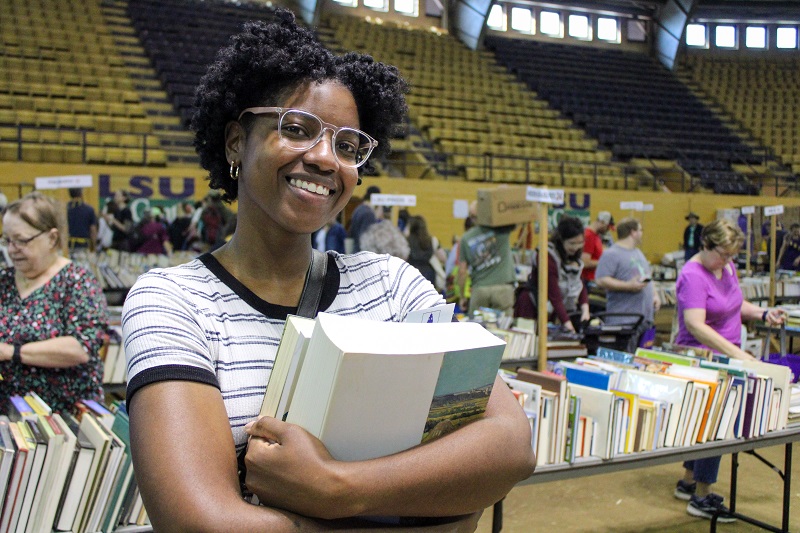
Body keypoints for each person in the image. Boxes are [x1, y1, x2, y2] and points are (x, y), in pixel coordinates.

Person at [121, 12, 535, 532]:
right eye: (296, 129)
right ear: (234, 142)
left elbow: (510, 444)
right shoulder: (173, 302)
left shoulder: (392, 285)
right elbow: (202, 523)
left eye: (346, 145)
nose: (324, 159)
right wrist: (431, 512)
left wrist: (334, 488)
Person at [672, 218, 785, 521]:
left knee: (704, 422)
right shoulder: (692, 275)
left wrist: (762, 312)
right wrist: (739, 355)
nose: (728, 260)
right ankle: (702, 495)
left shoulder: (725, 267)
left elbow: (734, 304)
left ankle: (689, 480)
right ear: (706, 245)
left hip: (726, 355)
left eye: (732, 255)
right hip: (702, 357)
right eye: (723, 254)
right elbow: (696, 325)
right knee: (717, 424)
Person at [0, 192, 109, 415]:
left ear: (51, 238)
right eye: (7, 240)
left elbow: (81, 347)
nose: (12, 249)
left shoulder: (77, 281)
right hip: (9, 415)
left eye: (21, 240)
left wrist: (11, 352)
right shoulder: (4, 280)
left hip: (62, 420)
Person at [594, 218, 660, 352]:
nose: (642, 233)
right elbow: (601, 279)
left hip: (643, 320)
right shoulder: (611, 254)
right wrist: (627, 286)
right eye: (640, 230)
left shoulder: (638, 252)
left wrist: (655, 294)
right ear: (633, 232)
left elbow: (647, 276)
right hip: (624, 321)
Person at [514, 215, 590, 332]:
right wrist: (568, 324)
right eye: (572, 243)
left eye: (580, 243)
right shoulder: (546, 256)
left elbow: (579, 283)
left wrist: (585, 310)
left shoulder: (574, 256)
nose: (576, 247)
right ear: (561, 239)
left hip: (552, 310)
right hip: (531, 306)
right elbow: (554, 294)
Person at [457, 201, 516, 317]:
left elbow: (462, 272)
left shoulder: (465, 238)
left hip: (480, 290)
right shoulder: (501, 228)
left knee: (476, 330)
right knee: (504, 330)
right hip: (503, 288)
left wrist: (462, 297)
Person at [405, 215, 446, 289]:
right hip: (428, 275)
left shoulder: (406, 241)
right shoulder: (432, 240)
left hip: (410, 274)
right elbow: (443, 258)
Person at [581, 210, 611, 286]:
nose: (607, 230)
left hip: (593, 277)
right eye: (607, 227)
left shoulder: (596, 236)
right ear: (602, 222)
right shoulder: (589, 236)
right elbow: (585, 262)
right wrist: (605, 262)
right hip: (587, 280)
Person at [348, 184, 380, 252]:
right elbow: (366, 239)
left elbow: (351, 233)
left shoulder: (358, 209)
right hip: (362, 254)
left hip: (355, 251)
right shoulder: (369, 213)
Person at [66, 187, 98, 252]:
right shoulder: (89, 209)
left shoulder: (65, 209)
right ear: (81, 193)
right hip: (84, 245)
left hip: (69, 246)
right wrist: (94, 246)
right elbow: (93, 229)